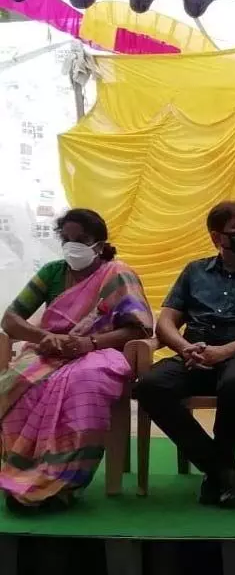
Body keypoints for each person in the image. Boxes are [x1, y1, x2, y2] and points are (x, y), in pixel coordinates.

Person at [133, 201, 235, 508]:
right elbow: (166, 321)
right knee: (149, 385)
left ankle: (219, 465)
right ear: (216, 236)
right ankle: (222, 467)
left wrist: (224, 352)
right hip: (194, 351)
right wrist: (184, 348)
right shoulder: (194, 271)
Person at [0, 209, 153, 513]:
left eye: (81, 240)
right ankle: (22, 477)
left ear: (99, 243)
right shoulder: (52, 272)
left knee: (83, 386)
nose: (73, 246)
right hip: (50, 351)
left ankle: (63, 485)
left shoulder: (117, 274)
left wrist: (88, 342)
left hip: (100, 352)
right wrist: (44, 335)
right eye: (67, 239)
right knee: (17, 384)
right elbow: (11, 319)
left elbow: (139, 328)